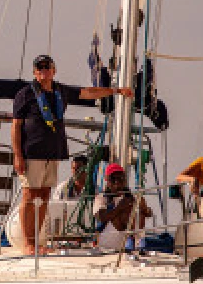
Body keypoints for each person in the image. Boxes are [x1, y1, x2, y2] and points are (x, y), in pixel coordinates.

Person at [12, 54, 132, 254]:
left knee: (44, 195)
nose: (44, 71)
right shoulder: (25, 94)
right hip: (31, 152)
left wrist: (115, 91)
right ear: (34, 72)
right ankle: (28, 243)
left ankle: (38, 241)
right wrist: (17, 155)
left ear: (53, 70)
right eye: (39, 68)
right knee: (29, 196)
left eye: (47, 67)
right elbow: (16, 126)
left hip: (53, 152)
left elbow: (88, 92)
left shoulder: (61, 91)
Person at [92, 163, 152, 250]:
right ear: (107, 180)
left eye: (120, 178)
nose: (117, 182)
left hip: (126, 239)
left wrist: (145, 209)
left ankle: (137, 243)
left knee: (138, 206)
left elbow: (149, 213)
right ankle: (130, 241)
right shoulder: (101, 198)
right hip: (106, 240)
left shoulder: (131, 197)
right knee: (123, 212)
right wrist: (120, 207)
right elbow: (101, 217)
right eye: (113, 179)